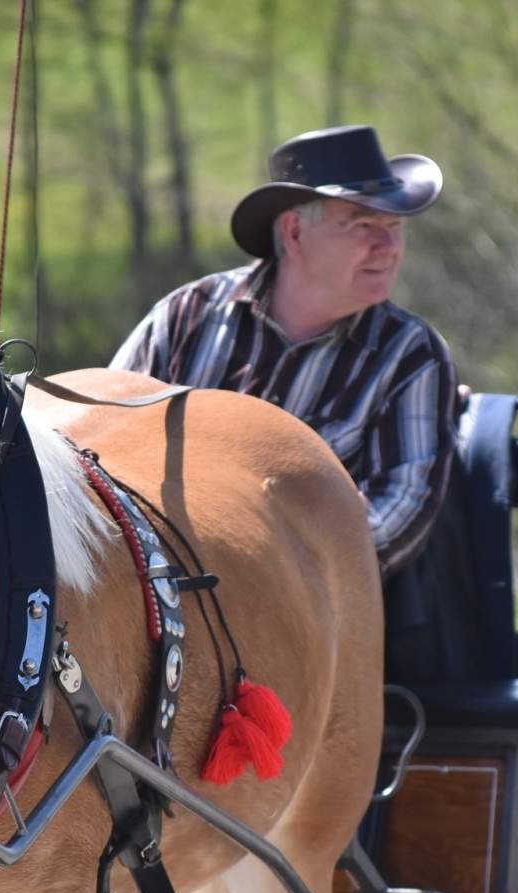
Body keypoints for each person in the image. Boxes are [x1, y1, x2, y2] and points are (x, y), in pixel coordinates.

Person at [111, 124, 458, 580]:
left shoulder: (410, 355)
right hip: (156, 583)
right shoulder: (187, 315)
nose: (389, 246)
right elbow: (104, 438)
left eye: (394, 226)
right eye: (363, 225)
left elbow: (398, 511)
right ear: (294, 233)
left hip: (310, 603)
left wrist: (264, 566)